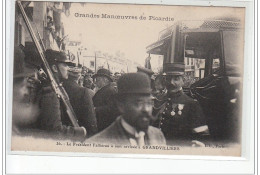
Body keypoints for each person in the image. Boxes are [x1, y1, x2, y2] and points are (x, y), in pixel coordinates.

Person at [87, 73, 166, 146]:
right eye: (139, 103)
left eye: (149, 103)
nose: (146, 109)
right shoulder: (97, 143)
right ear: (121, 105)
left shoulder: (157, 135)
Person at [154, 63, 209, 146]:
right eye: (168, 79)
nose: (171, 82)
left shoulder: (191, 104)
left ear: (183, 80)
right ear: (164, 80)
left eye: (176, 79)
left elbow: (201, 136)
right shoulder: (158, 100)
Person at [36, 49, 86, 139]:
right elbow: (54, 131)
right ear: (55, 68)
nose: (68, 68)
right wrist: (80, 132)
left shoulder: (56, 88)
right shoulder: (51, 92)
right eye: (65, 65)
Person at [63, 65, 98, 137]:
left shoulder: (55, 87)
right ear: (79, 76)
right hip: (78, 134)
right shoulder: (83, 92)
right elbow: (90, 121)